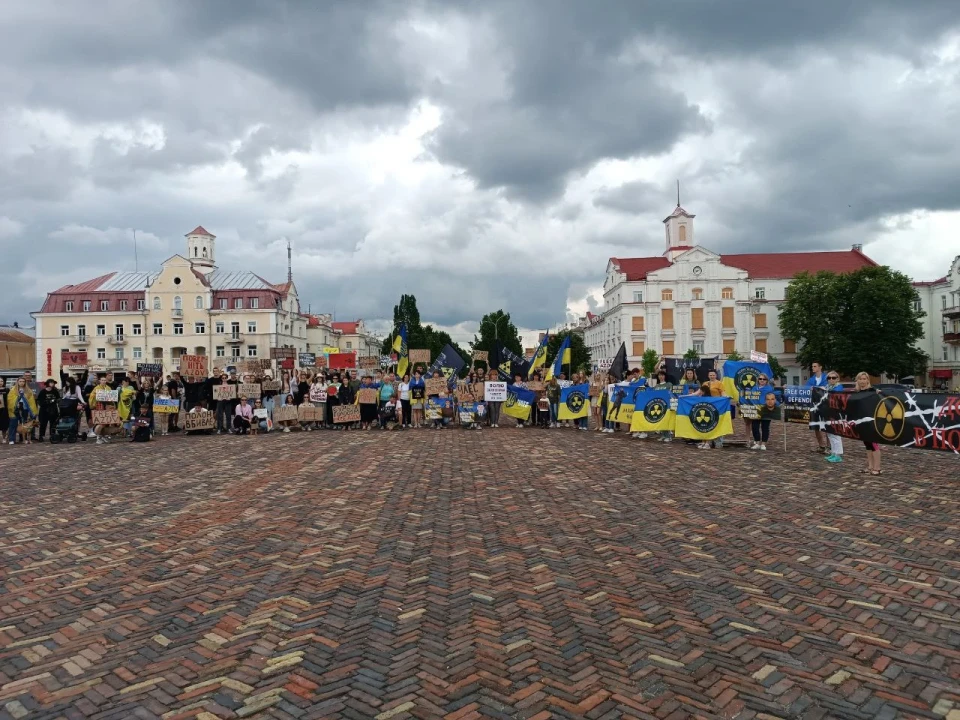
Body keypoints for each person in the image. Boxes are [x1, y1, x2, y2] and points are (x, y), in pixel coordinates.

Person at [855, 372, 882, 475]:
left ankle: (877, 468)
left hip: (871, 421)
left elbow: (880, 396)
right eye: (860, 379)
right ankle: (870, 467)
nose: (862, 381)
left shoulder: (872, 391)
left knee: (873, 444)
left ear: (867, 380)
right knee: (867, 444)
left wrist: (879, 392)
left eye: (864, 379)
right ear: (857, 380)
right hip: (861, 421)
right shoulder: (857, 392)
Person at [806, 362, 829, 454]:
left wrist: (817, 388)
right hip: (814, 405)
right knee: (816, 426)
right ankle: (821, 446)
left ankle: (829, 446)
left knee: (827, 426)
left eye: (814, 366)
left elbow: (828, 387)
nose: (813, 368)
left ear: (820, 367)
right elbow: (806, 388)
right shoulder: (811, 379)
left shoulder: (826, 378)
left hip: (825, 405)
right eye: (812, 366)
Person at [7, 377, 38, 445]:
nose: (22, 383)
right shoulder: (13, 390)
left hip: (24, 408)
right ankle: (12, 439)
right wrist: (17, 398)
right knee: (13, 424)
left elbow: (31, 400)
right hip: (15, 409)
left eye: (23, 381)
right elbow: (10, 399)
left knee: (24, 424)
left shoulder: (28, 390)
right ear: (17, 382)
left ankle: (24, 439)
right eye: (20, 381)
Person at [745, 372, 771, 449]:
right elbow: (749, 397)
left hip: (765, 410)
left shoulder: (769, 389)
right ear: (758, 380)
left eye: (764, 379)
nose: (762, 380)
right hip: (755, 410)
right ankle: (757, 442)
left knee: (765, 427)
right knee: (755, 426)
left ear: (766, 380)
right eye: (760, 379)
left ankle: (763, 443)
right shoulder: (754, 388)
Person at [824, 371, 845, 463]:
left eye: (833, 378)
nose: (831, 379)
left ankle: (838, 454)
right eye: (829, 378)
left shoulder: (839, 387)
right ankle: (833, 452)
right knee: (830, 434)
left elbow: (836, 394)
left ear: (837, 378)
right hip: (828, 412)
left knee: (836, 434)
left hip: (836, 413)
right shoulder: (827, 387)